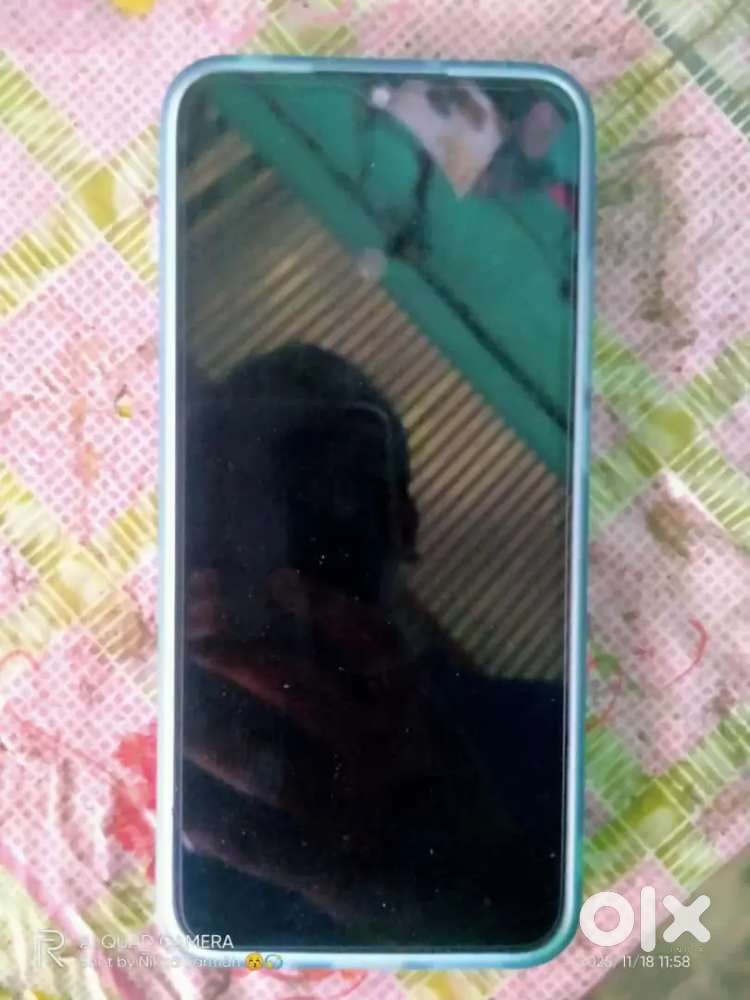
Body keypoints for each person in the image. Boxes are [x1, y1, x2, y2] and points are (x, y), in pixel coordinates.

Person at [179, 344, 565, 948]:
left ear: (402, 525)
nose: (281, 551)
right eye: (242, 506)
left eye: (326, 504)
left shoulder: (555, 735)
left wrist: (472, 882)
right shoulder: (153, 715)